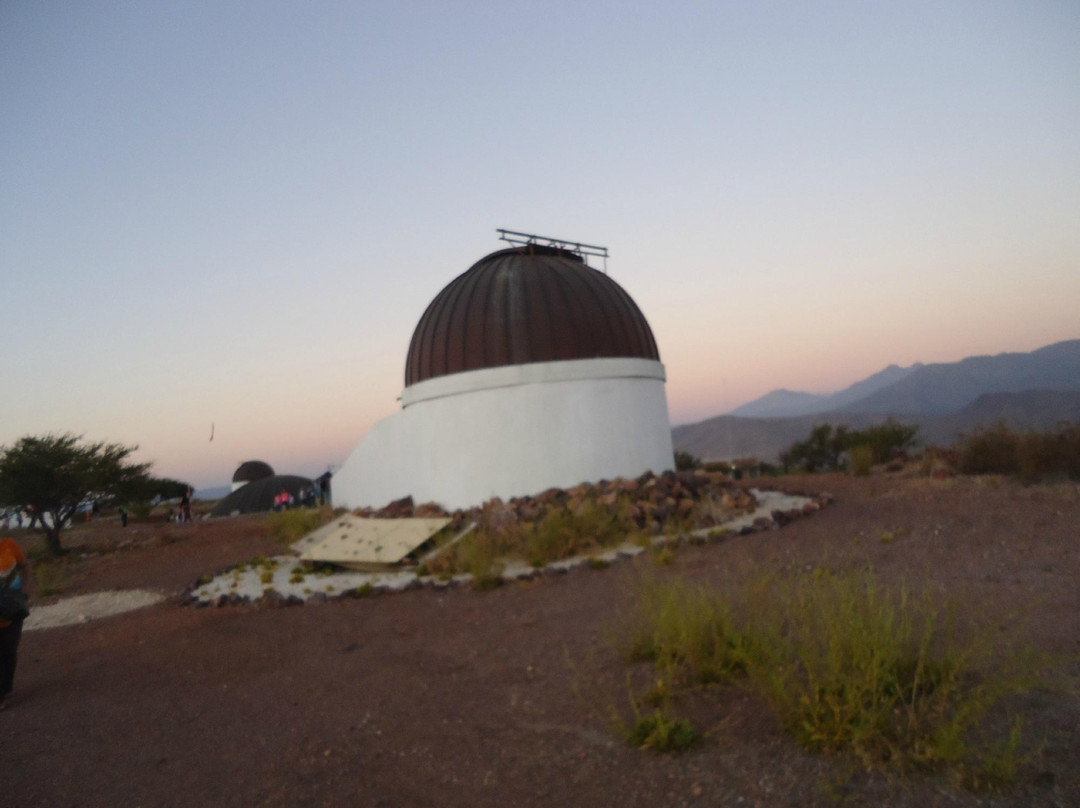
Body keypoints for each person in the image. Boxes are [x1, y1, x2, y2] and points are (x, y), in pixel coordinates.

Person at [0, 536, 29, 710]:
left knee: (9, 651)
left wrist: (25, 587)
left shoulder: (9, 545)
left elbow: (24, 565)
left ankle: (6, 685)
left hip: (13, 607)